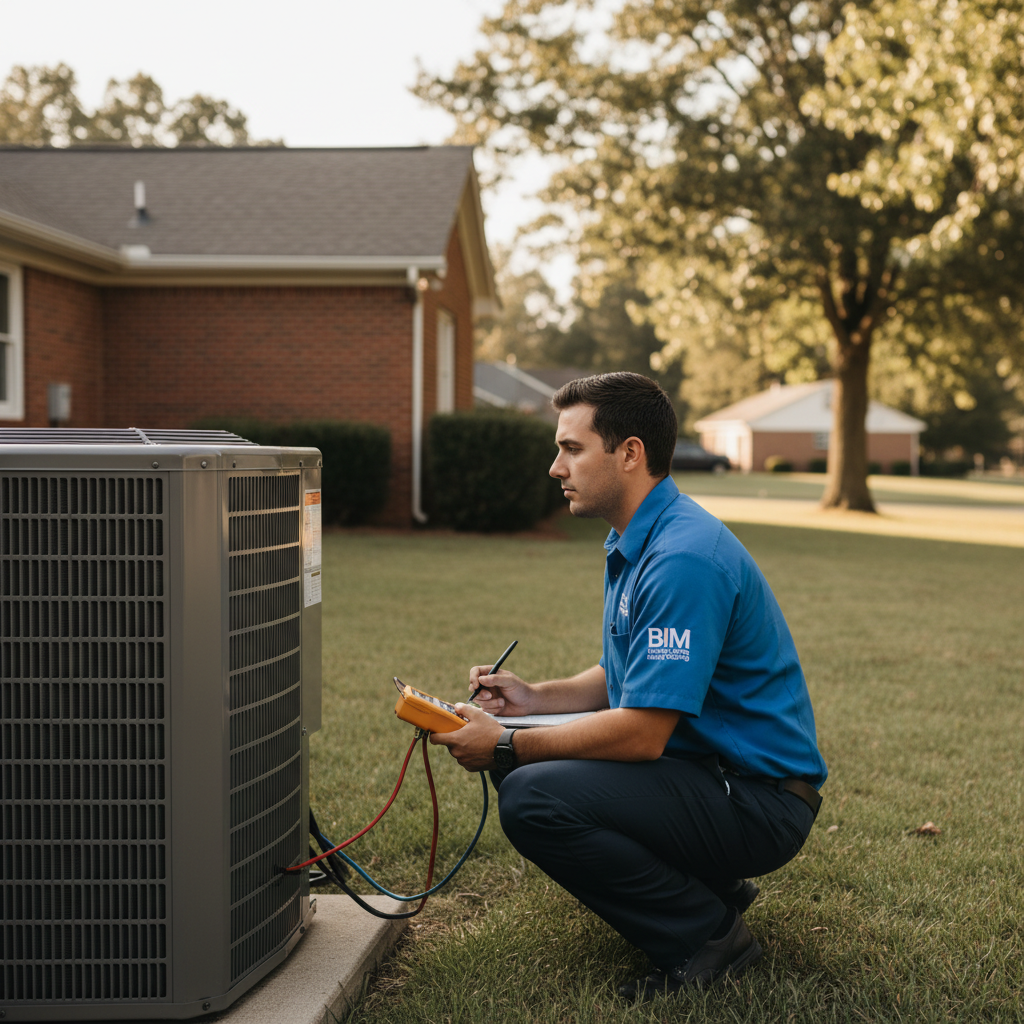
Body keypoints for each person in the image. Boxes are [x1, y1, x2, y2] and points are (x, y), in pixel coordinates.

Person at [430, 372, 827, 1001]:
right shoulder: (641, 536)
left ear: (630, 453)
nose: (555, 467)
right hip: (716, 776)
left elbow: (642, 734)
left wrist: (506, 741)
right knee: (527, 764)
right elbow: (626, 677)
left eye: (572, 448)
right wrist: (534, 701)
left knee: (531, 793)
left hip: (760, 800)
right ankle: (710, 888)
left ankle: (708, 937)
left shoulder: (682, 558)